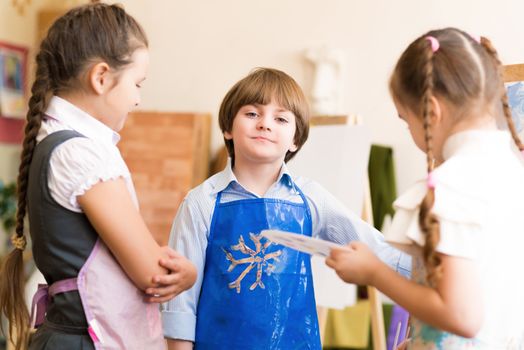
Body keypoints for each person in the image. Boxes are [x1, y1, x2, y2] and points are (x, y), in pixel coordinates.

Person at [155, 67, 411, 349]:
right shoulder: (201, 202)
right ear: (228, 128)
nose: (265, 124)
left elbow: (375, 248)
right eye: (252, 113)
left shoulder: (310, 198)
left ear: (295, 139)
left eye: (280, 118)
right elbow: (180, 301)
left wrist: (433, 274)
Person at [0, 3, 196, 350]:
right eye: (137, 83)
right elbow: (152, 273)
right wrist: (188, 272)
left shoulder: (58, 140)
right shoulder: (82, 154)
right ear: (101, 77)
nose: (138, 99)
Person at [326, 28, 524, 349]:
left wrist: (374, 273)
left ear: (431, 112)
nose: (410, 132)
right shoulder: (513, 176)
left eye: (407, 121)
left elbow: (461, 315)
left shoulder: (452, 186)